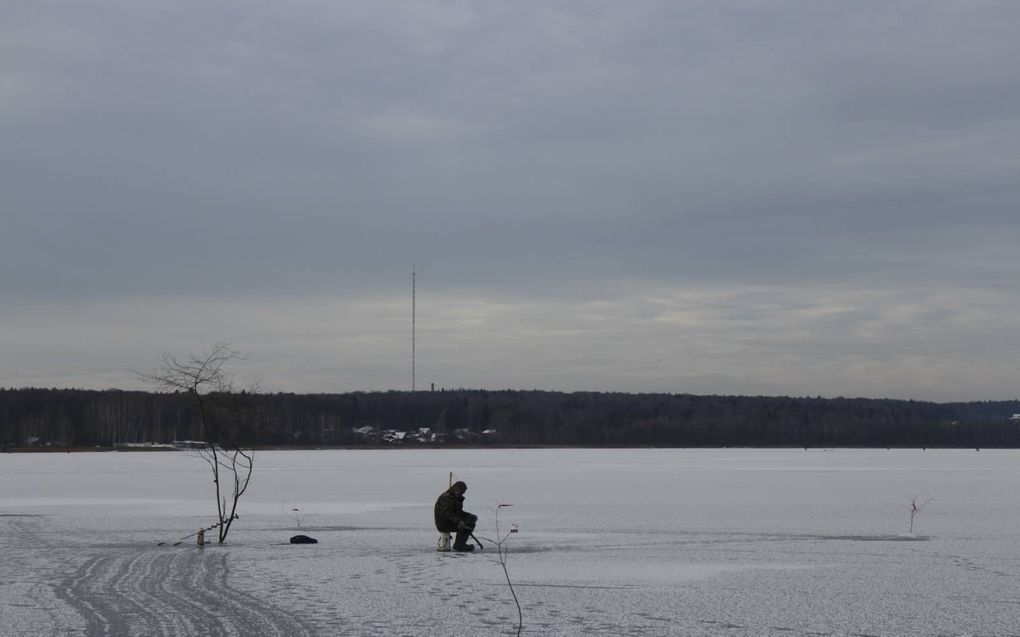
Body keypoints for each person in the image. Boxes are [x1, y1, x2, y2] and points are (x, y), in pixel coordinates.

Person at [434, 480, 477, 551]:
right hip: (443, 523)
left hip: (450, 521)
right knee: (468, 523)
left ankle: (460, 543)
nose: (461, 494)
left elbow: (458, 512)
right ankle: (459, 545)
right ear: (456, 489)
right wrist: (459, 521)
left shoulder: (456, 498)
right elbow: (445, 513)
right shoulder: (447, 497)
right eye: (460, 492)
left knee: (471, 519)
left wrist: (469, 515)